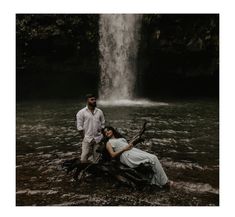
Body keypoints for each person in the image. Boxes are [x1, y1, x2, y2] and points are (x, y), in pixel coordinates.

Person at [104, 126, 171, 188]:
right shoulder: (108, 143)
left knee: (153, 159)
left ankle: (157, 182)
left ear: (112, 130)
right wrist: (124, 149)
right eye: (105, 132)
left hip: (133, 151)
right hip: (126, 155)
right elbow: (112, 154)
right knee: (153, 158)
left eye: (108, 130)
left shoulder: (120, 138)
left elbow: (127, 145)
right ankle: (166, 182)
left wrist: (130, 146)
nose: (107, 132)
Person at [76, 94, 105, 163]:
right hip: (87, 138)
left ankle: (94, 172)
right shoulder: (81, 112)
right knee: (83, 158)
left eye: (95, 99)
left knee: (97, 159)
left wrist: (101, 133)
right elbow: (79, 127)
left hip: (98, 139)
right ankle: (83, 171)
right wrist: (84, 138)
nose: (94, 101)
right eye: (92, 100)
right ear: (87, 101)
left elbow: (103, 124)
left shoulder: (99, 112)